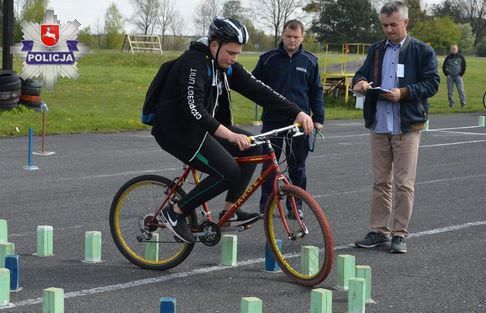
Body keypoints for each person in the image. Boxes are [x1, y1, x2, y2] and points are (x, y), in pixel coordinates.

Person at [151, 17, 314, 243]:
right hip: (177, 131)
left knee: (252, 147)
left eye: (238, 53)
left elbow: (258, 89)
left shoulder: (222, 64)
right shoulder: (194, 63)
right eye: (231, 53)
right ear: (214, 45)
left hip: (200, 128)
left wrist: (297, 112)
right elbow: (194, 109)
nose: (234, 59)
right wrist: (229, 134)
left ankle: (230, 212)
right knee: (228, 171)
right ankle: (176, 211)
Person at [352, 1, 439, 253]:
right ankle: (379, 231)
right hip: (379, 124)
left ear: (405, 22)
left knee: (404, 183)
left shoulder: (422, 51)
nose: (388, 30)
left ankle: (400, 234)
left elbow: (432, 83)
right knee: (380, 182)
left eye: (393, 24)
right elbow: (362, 73)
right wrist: (360, 83)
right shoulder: (376, 50)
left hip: (407, 125)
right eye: (384, 25)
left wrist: (404, 92)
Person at [252, 19, 324, 218]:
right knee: (268, 167)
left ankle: (296, 207)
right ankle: (265, 206)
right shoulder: (268, 59)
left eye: (296, 37)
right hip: (272, 121)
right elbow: (253, 86)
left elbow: (316, 91)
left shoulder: (310, 61)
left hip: (300, 123)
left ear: (302, 37)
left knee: (297, 166)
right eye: (288, 36)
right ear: (282, 36)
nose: (291, 40)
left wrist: (318, 118)